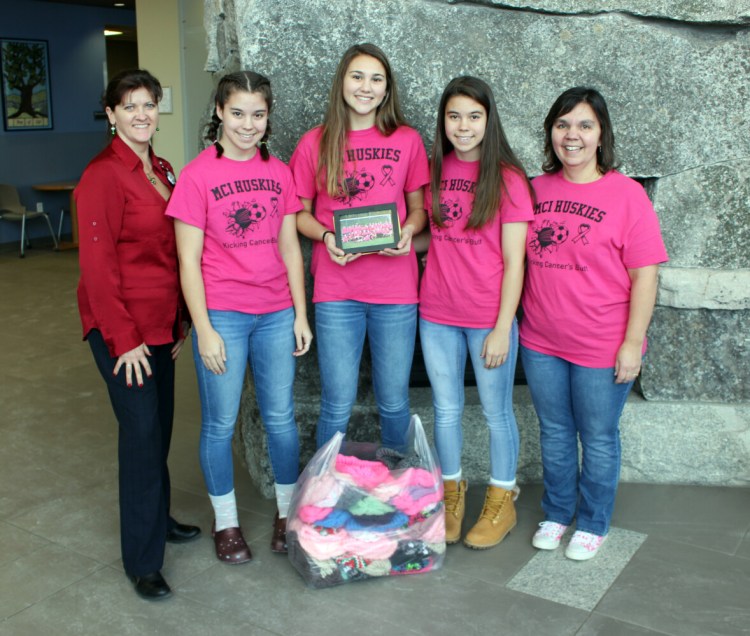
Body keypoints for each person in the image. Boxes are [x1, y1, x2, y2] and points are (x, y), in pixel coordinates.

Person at [167, 71, 311, 561]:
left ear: (268, 117)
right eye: (237, 113)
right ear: (219, 113)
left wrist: (299, 313)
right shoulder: (196, 175)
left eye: (258, 114)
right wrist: (203, 328)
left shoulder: (281, 171)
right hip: (223, 315)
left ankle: (286, 513)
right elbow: (187, 260)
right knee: (220, 423)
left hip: (275, 313)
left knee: (280, 419)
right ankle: (226, 523)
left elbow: (290, 245)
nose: (247, 125)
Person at [520, 86, 668, 560]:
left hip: (602, 344)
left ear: (601, 134)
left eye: (584, 125)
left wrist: (633, 341)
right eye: (563, 125)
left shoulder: (627, 196)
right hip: (541, 340)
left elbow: (645, 275)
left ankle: (593, 521)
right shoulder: (534, 190)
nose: (573, 135)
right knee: (555, 432)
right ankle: (558, 512)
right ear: (551, 132)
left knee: (598, 436)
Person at [76, 69, 200, 601]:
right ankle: (143, 561)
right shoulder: (103, 175)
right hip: (122, 329)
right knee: (142, 437)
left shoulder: (162, 167)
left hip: (161, 324)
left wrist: (182, 321)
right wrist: (123, 339)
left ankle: (158, 516)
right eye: (130, 107)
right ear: (111, 114)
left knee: (160, 428)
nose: (142, 114)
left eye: (149, 104)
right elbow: (98, 268)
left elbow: (174, 251)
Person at [289, 43, 429, 451]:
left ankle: (401, 495)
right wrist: (326, 236)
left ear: (387, 90)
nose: (365, 87)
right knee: (336, 404)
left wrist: (407, 232)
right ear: (342, 83)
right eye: (357, 76)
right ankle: (323, 494)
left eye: (376, 79)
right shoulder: (315, 141)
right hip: (337, 291)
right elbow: (299, 214)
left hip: (396, 291)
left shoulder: (407, 140)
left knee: (394, 402)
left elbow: (420, 209)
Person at [416, 77, 534, 549]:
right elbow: (436, 237)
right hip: (437, 312)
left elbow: (514, 261)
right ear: (443, 121)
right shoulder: (436, 169)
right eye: (453, 116)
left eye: (473, 116)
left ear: (489, 120)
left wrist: (503, 327)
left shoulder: (508, 178)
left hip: (488, 317)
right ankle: (452, 494)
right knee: (446, 410)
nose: (463, 126)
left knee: (495, 412)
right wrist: (397, 241)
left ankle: (502, 500)